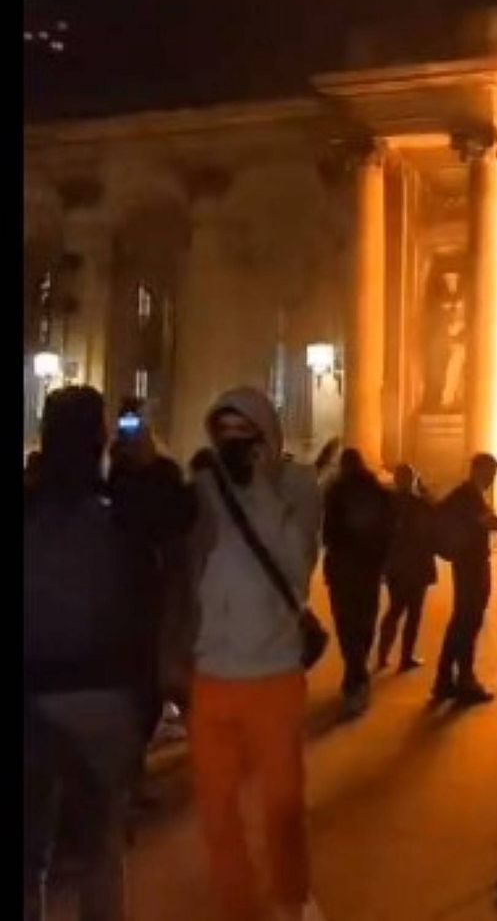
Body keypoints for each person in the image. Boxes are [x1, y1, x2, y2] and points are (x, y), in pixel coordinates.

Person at [24, 386, 192, 921]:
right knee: (101, 850)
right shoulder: (125, 506)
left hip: (33, 697)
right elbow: (179, 516)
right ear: (102, 437)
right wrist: (149, 461)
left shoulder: (29, 506)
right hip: (109, 699)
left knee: (30, 855)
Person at [187, 387, 325, 921]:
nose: (234, 449)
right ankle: (237, 907)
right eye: (224, 438)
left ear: (267, 440)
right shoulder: (203, 488)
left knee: (283, 806)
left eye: (246, 439)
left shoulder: (297, 487)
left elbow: (298, 568)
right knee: (217, 809)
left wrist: (263, 490)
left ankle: (291, 898)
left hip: (274, 673)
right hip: (212, 672)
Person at [106, 399, 194, 794]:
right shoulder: (118, 477)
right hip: (126, 595)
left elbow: (178, 524)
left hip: (159, 592)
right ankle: (131, 768)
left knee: (156, 681)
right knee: (136, 685)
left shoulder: (163, 474)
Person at [432, 452, 497, 705]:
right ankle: (461, 680)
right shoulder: (470, 496)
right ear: (478, 470)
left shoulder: (463, 494)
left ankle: (446, 680)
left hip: (465, 563)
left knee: (462, 621)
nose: (492, 479)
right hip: (472, 566)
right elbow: (496, 525)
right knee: (468, 621)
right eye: (490, 473)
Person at [322, 449, 393, 718]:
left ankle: (355, 677)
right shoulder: (377, 491)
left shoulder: (335, 492)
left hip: (342, 569)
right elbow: (388, 530)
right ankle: (357, 675)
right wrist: (382, 562)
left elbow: (328, 534)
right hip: (368, 569)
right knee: (365, 621)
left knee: (345, 623)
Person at [376, 464, 438, 673]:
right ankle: (406, 657)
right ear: (412, 480)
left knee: (394, 610)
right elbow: (438, 513)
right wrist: (424, 490)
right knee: (413, 614)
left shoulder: (387, 503)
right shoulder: (418, 504)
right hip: (417, 566)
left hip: (395, 565)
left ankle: (382, 656)